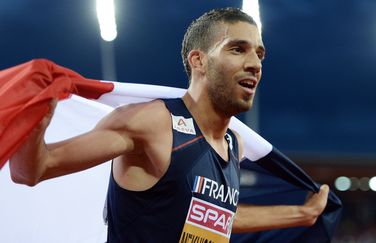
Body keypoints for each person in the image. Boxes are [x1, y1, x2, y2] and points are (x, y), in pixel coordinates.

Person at [10, 7, 329, 242]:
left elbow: (217, 218)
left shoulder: (234, 143)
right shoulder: (151, 123)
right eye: (238, 49)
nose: (255, 64)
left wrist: (304, 214)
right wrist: (33, 122)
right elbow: (31, 171)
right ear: (198, 60)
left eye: (260, 54)